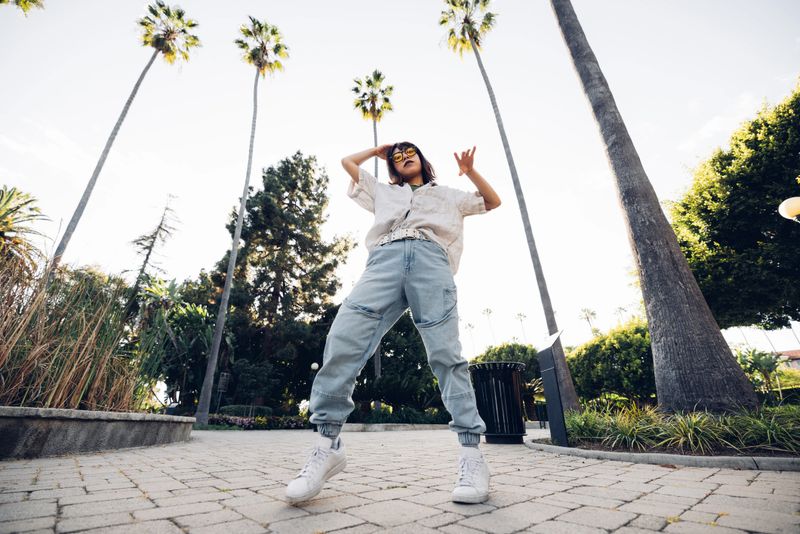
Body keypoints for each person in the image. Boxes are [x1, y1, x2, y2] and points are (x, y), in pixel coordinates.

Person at [285, 141, 501, 505]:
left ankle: (472, 457)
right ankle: (327, 445)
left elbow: (491, 201)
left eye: (409, 153)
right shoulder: (383, 193)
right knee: (343, 340)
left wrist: (470, 172)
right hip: (384, 260)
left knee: (446, 356)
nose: (403, 158)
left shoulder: (448, 195)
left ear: (422, 159)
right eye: (397, 157)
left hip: (431, 261)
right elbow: (346, 162)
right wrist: (377, 151)